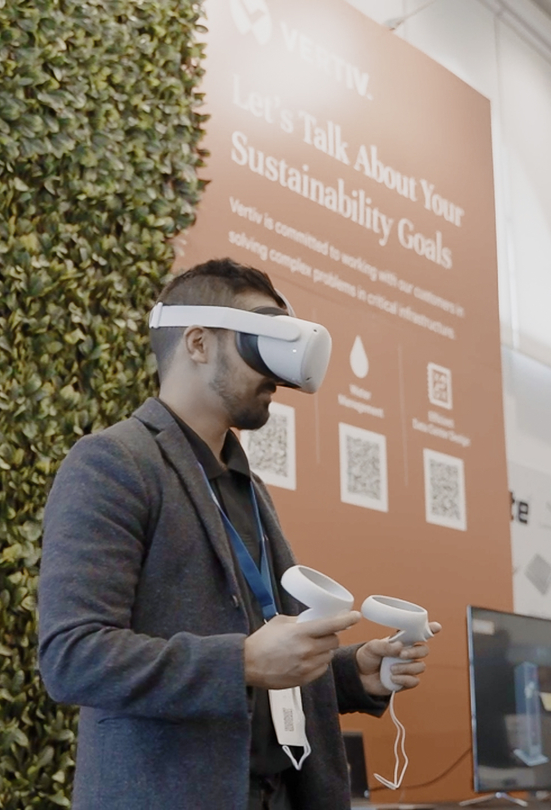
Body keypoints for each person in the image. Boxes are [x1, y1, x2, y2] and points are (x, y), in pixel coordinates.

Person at [38, 258, 440, 810]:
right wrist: (242, 662)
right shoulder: (114, 463)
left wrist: (352, 675)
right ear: (198, 343)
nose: (276, 374)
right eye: (260, 340)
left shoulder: (244, 484)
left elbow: (265, 657)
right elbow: (73, 656)